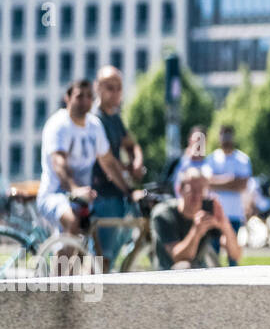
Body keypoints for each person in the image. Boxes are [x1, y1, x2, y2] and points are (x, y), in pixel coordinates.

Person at [37, 79, 130, 240]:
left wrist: (129, 191)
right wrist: (74, 189)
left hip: (84, 199)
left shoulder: (94, 126)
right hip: (55, 195)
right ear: (68, 97)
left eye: (89, 96)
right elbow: (59, 163)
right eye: (80, 96)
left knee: (86, 243)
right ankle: (60, 266)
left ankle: (73, 262)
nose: (85, 101)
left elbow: (108, 161)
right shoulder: (59, 124)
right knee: (73, 222)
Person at [89, 66, 145, 271]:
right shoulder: (95, 120)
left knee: (109, 256)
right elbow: (108, 162)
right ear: (98, 88)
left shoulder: (114, 117)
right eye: (109, 87)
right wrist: (129, 183)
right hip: (103, 193)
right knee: (102, 258)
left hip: (117, 192)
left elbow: (131, 143)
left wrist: (137, 160)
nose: (115, 92)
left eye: (118, 88)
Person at [151, 167, 242, 270]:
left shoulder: (207, 212)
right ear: (179, 189)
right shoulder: (164, 214)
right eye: (192, 190)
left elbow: (236, 255)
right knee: (184, 266)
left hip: (197, 272)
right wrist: (197, 231)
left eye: (201, 190)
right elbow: (178, 258)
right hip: (166, 275)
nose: (197, 195)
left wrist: (224, 224)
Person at [205, 124, 252, 264]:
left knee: (233, 254)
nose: (226, 139)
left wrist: (218, 181)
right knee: (213, 255)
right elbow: (208, 182)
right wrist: (231, 180)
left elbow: (242, 184)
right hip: (215, 213)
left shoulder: (242, 159)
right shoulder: (212, 158)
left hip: (234, 214)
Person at [170, 126, 209, 194]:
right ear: (190, 140)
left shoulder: (209, 163)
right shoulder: (181, 162)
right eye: (196, 140)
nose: (198, 144)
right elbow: (176, 187)